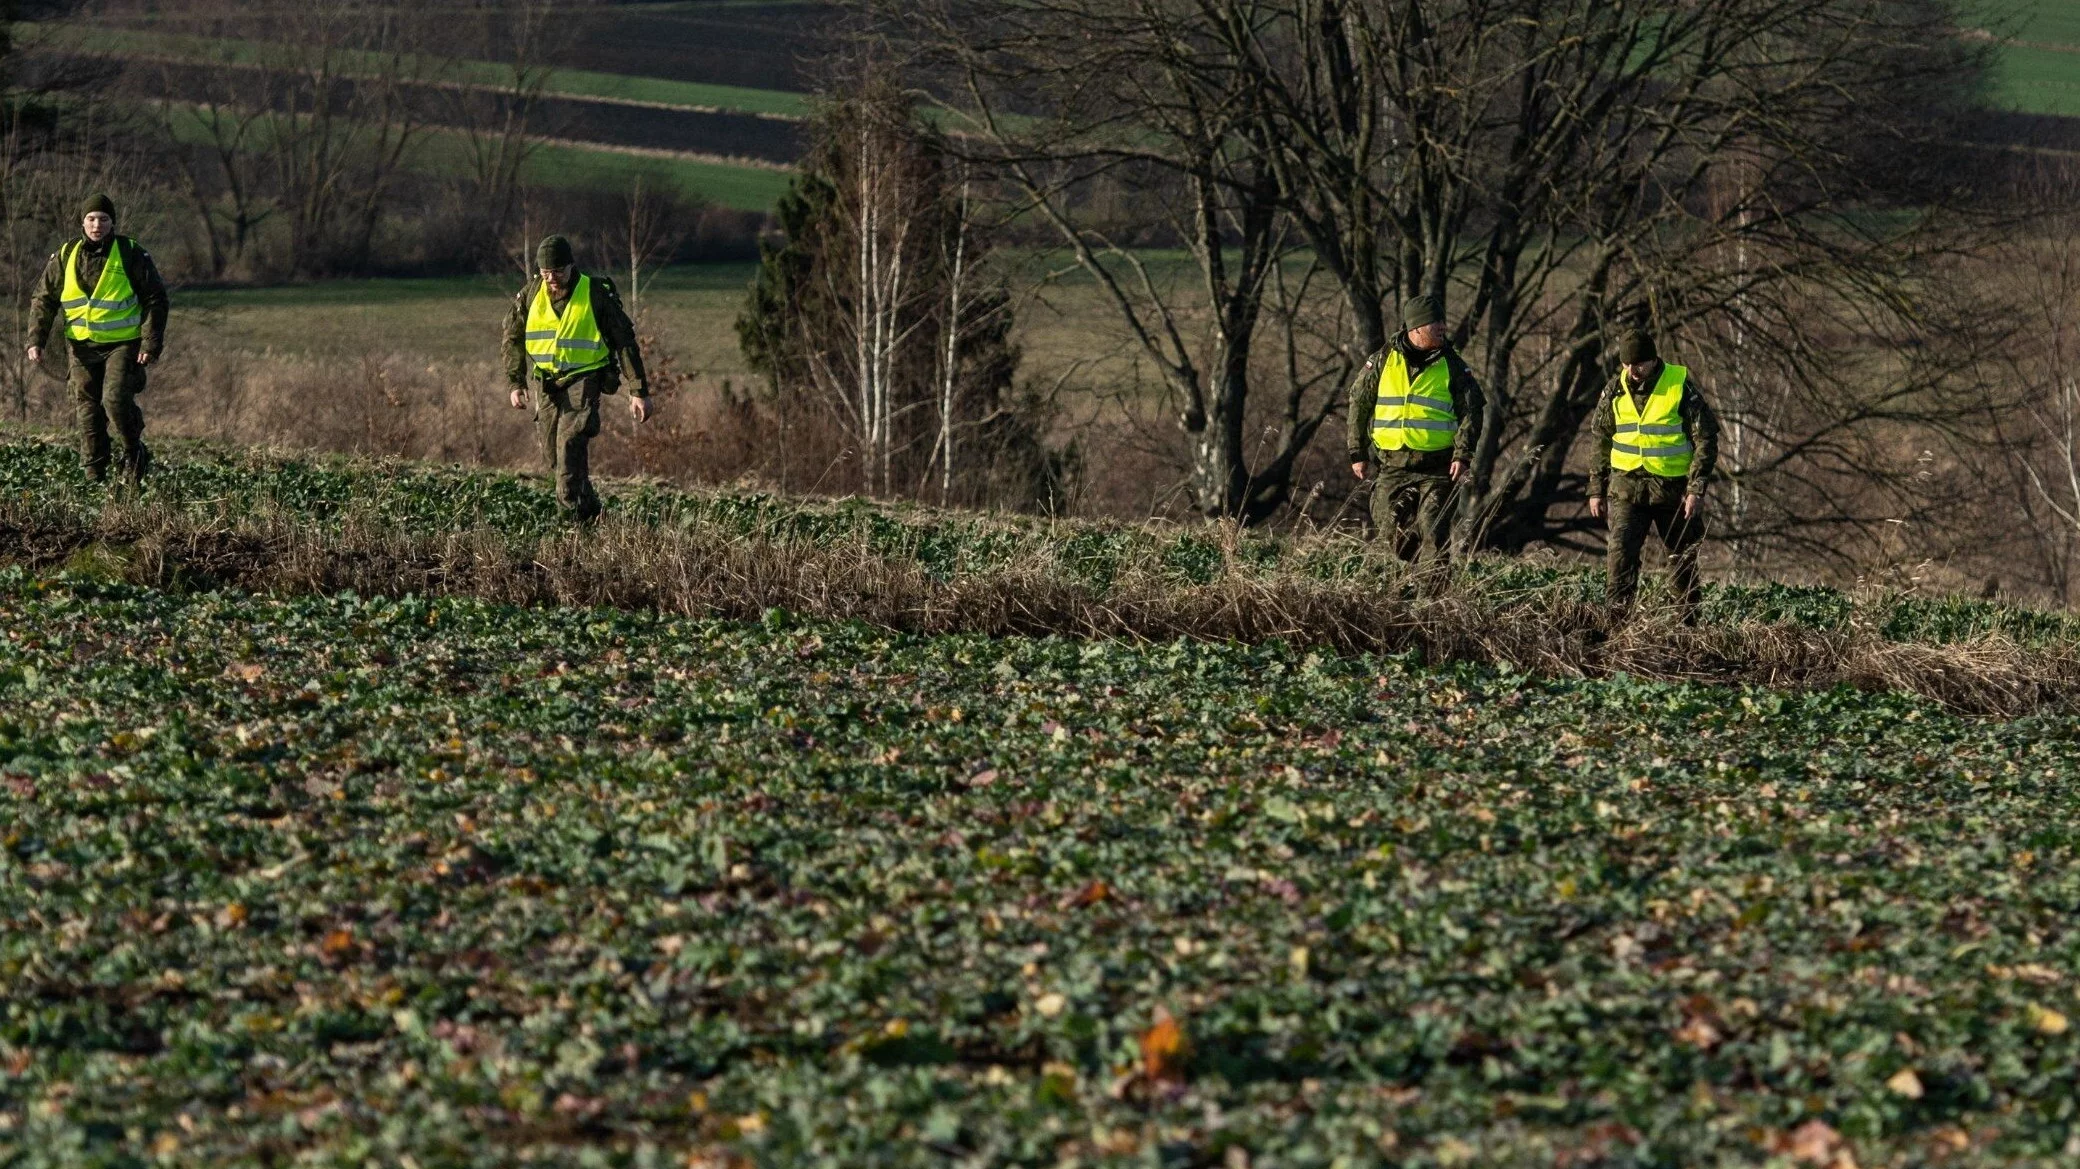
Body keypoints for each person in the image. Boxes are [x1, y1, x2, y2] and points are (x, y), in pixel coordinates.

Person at [500, 235, 651, 522]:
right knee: (553, 459)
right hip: (546, 382)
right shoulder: (532, 293)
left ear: (571, 265)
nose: (552, 278)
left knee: (569, 447)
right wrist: (516, 383)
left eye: (557, 271)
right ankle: (592, 512)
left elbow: (624, 341)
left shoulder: (594, 292)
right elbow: (512, 337)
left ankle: (570, 525)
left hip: (585, 379)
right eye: (546, 273)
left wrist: (638, 389)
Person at [26, 193, 170, 489]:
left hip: (123, 344)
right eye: (91, 219)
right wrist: (35, 340)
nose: (97, 225)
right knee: (87, 410)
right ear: (82, 222)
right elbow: (43, 299)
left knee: (115, 400)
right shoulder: (65, 255)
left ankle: (133, 451)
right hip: (80, 346)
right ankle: (94, 476)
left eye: (103, 219)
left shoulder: (131, 253)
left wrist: (150, 343)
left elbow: (155, 299)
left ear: (112, 222)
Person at [1586, 329, 1720, 622]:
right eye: (1627, 364)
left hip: (1673, 491)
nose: (1633, 371)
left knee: (1681, 561)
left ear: (1653, 359)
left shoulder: (1679, 386)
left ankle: (1687, 627)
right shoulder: (1614, 390)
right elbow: (1600, 438)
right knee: (1620, 555)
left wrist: (1696, 489)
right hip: (1627, 489)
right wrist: (1596, 488)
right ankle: (1616, 625)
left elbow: (1706, 438)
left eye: (1640, 364)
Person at [1345, 294, 1484, 566]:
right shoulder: (1383, 360)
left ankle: (1433, 597)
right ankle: (1419, 572)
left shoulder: (1453, 365)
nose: (1443, 327)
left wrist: (1463, 455)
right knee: (1390, 529)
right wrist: (1356, 450)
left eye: (1443, 321)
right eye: (1436, 323)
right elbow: (1359, 403)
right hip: (1391, 465)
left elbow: (1472, 411)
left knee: (1433, 530)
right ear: (1416, 328)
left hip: (1438, 467)